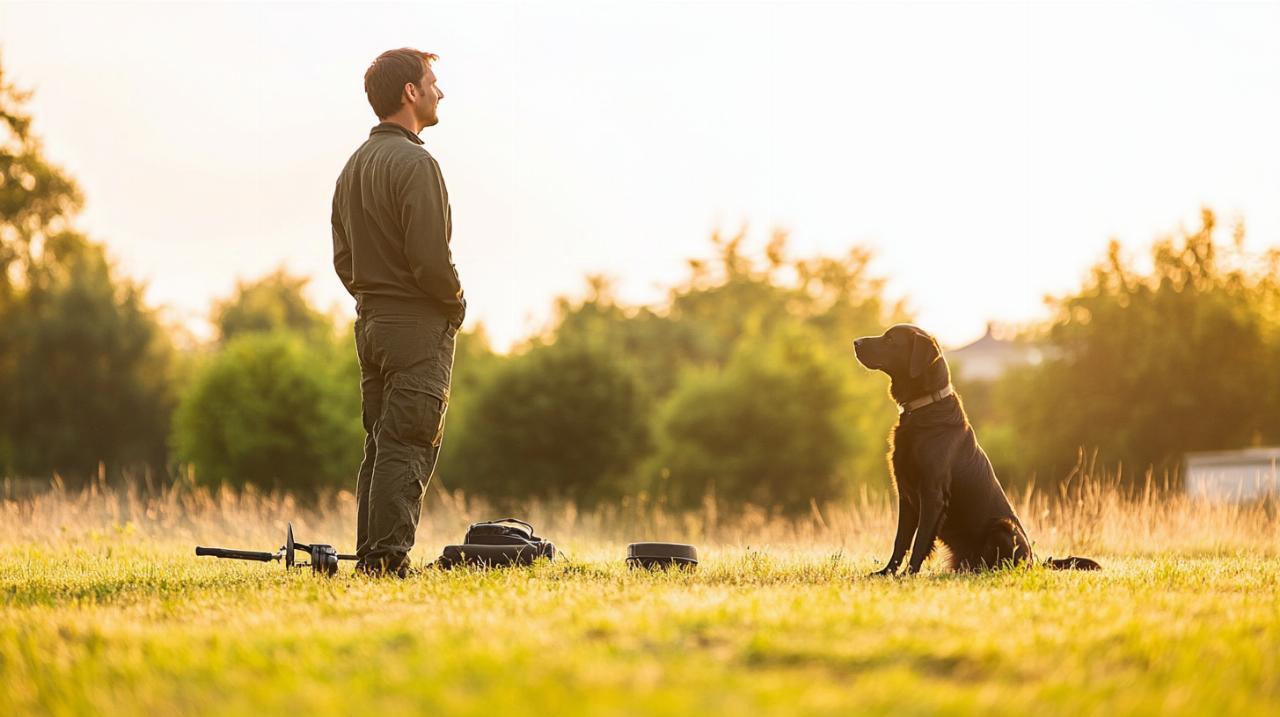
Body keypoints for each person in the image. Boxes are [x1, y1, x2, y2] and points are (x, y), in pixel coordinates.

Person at [331, 48, 465, 576]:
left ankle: (372, 555)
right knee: (408, 439)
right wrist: (454, 304)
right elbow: (431, 258)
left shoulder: (351, 168)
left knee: (381, 442)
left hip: (372, 323)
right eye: (433, 81)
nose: (439, 91)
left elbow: (343, 259)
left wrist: (373, 299)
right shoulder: (416, 162)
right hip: (415, 324)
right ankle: (386, 560)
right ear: (410, 92)